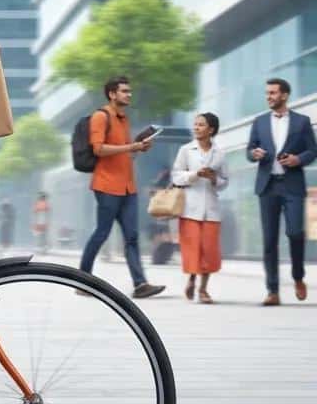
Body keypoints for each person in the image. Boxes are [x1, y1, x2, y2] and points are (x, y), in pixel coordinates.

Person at [79, 76, 166, 299]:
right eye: (125, 91)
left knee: (132, 237)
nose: (129, 94)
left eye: (129, 91)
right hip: (107, 186)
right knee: (101, 233)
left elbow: (123, 152)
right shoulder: (101, 117)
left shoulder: (123, 118)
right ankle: (82, 281)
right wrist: (131, 146)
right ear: (112, 94)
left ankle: (140, 284)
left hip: (128, 187)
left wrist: (137, 149)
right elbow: (98, 149)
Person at [247, 78, 317, 305]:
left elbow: (312, 151)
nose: (269, 96)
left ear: (285, 95)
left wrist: (298, 159)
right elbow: (250, 150)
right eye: (267, 93)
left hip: (293, 185)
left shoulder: (302, 122)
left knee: (296, 233)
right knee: (269, 240)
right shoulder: (259, 122)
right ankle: (273, 290)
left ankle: (298, 276)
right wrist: (254, 154)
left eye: (273, 93)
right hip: (268, 185)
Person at [172, 113, 229, 304]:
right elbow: (176, 177)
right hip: (190, 209)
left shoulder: (220, 153)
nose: (196, 128)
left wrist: (213, 178)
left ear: (211, 129)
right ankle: (192, 279)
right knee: (193, 250)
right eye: (195, 125)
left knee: (209, 251)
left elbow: (224, 182)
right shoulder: (186, 150)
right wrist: (195, 174)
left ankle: (203, 289)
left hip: (211, 210)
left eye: (201, 125)